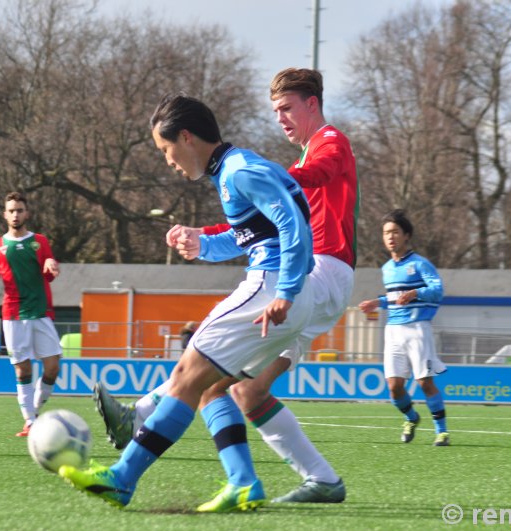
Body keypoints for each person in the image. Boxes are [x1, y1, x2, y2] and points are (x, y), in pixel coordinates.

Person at [93, 67, 357, 503]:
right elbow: (255, 228)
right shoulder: (248, 169)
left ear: (312, 104)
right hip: (310, 276)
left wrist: (274, 178)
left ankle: (139, 421)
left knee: (198, 369)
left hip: (320, 270)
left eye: (287, 108)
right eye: (275, 111)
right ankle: (305, 480)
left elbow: (303, 194)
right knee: (233, 388)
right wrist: (206, 238)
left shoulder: (327, 142)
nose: (280, 119)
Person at [59, 93, 315, 512]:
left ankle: (122, 478)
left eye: (166, 149)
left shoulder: (240, 171)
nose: (169, 161)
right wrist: (204, 243)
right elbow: (256, 234)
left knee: (183, 375)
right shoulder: (234, 169)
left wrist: (284, 291)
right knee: (213, 388)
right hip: (283, 292)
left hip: (271, 289)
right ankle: (244, 483)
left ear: (186, 136)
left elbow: (293, 223)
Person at [359, 210, 449, 446]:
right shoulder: (387, 268)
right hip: (394, 330)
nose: (390, 237)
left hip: (417, 328)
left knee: (424, 382)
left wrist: (416, 292)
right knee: (394, 387)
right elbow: (394, 297)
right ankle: (411, 417)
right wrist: (376, 303)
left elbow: (438, 290)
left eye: (395, 232)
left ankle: (442, 432)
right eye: (386, 233)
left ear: (406, 235)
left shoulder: (421, 264)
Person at [0, 191, 63, 436]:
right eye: (11, 210)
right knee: (23, 370)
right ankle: (30, 421)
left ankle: (35, 408)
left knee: (52, 367)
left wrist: (51, 266)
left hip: (40, 311)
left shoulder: (39, 241)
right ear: (4, 214)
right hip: (13, 314)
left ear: (26, 213)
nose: (15, 214)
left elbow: (49, 273)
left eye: (19, 210)